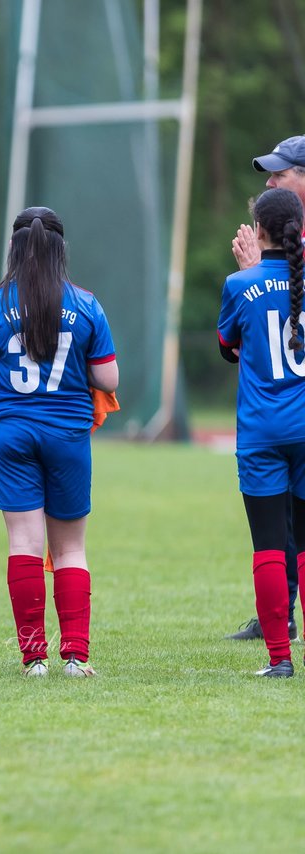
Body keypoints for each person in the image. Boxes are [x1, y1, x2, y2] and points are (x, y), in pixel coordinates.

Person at [0, 206, 118, 677]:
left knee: (23, 545)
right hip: (67, 434)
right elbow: (108, 376)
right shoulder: (86, 303)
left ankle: (34, 660)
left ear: (14, 248)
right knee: (70, 549)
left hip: (9, 434)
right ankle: (75, 656)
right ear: (60, 250)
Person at [217, 187, 305, 677]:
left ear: (260, 232)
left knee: (271, 547)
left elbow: (228, 347)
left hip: (262, 435)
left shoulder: (238, 284)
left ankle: (279, 660)